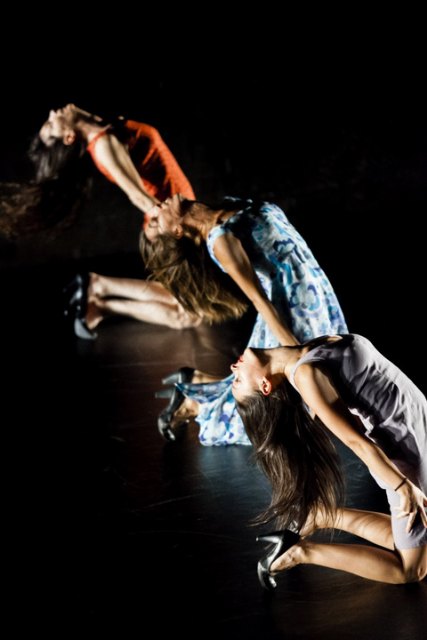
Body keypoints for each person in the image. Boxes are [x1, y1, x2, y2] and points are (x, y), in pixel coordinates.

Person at [141, 194, 348, 444]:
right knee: (287, 409)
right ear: (176, 231)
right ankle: (196, 405)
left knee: (328, 381)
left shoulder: (230, 204)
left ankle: (196, 383)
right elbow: (260, 301)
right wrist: (297, 356)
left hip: (318, 295)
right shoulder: (219, 240)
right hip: (295, 311)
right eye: (155, 220)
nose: (154, 207)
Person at [232, 333, 427, 585]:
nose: (232, 368)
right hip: (408, 452)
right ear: (264, 385)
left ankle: (322, 516)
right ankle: (299, 552)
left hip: (417, 426)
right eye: (237, 380)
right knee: (411, 569)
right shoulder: (306, 375)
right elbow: (356, 441)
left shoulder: (306, 349)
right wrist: (402, 487)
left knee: (420, 543)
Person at [30, 103, 200, 338]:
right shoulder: (103, 145)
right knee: (189, 315)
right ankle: (99, 292)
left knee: (191, 313)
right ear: (69, 137)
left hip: (174, 219)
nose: (52, 113)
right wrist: (177, 228)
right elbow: (138, 196)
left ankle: (99, 294)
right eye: (50, 125)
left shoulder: (109, 130)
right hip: (169, 225)